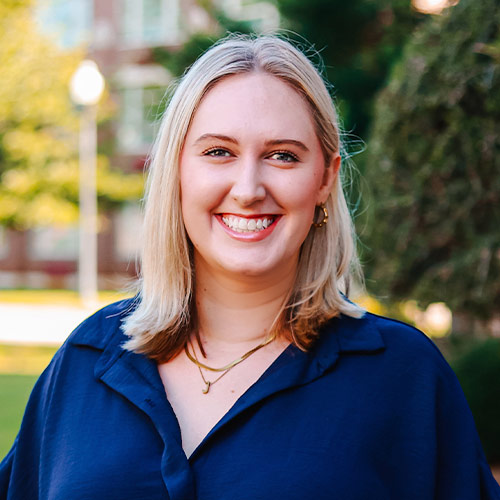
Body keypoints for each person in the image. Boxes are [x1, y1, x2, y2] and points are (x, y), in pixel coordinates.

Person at [1, 34, 499, 500]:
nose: (247, 187)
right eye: (219, 152)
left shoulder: (402, 376)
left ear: (326, 178)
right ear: (176, 169)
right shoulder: (89, 359)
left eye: (283, 156)